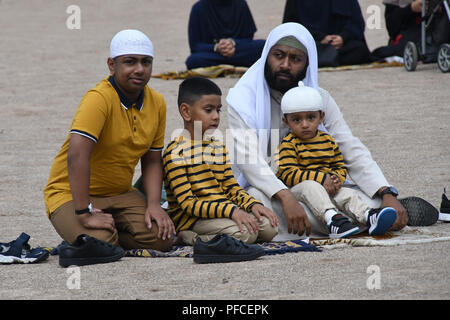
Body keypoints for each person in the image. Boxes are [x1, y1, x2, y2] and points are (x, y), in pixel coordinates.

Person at [226, 22, 408, 240]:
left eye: (295, 59)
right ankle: (360, 220)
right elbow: (250, 163)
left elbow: (348, 146)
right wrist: (285, 196)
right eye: (278, 55)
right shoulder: (241, 100)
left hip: (320, 186)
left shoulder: (319, 99)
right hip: (269, 190)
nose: (285, 65)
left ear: (307, 64)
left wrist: (385, 192)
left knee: (362, 197)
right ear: (266, 56)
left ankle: (362, 216)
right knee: (259, 212)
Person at [44, 29, 175, 251]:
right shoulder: (99, 99)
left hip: (120, 192)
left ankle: (101, 234)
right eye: (130, 62)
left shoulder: (158, 102)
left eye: (146, 62)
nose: (140, 69)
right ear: (112, 65)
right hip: (70, 193)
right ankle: (90, 232)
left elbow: (152, 161)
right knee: (99, 244)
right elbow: (77, 156)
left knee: (162, 238)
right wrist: (84, 212)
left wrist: (154, 205)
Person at [163, 77, 278, 245]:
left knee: (269, 227)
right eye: (208, 110)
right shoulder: (176, 152)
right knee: (246, 234)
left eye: (218, 110)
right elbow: (188, 204)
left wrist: (252, 205)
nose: (216, 116)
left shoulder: (217, 147)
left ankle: (228, 231)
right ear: (186, 112)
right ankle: (189, 237)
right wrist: (232, 211)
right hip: (193, 220)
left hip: (222, 212)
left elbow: (231, 187)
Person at [275, 81, 398, 238]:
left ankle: (368, 216)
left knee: (347, 193)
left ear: (321, 117)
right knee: (311, 187)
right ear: (286, 122)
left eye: (310, 118)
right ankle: (333, 220)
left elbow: (339, 165)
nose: (305, 124)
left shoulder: (328, 140)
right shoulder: (288, 144)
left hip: (329, 187)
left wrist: (336, 180)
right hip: (301, 189)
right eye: (297, 120)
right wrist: (321, 179)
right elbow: (287, 173)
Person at [282, 0, 372, 67]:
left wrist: (342, 37)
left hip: (340, 46)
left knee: (359, 49)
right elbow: (290, 26)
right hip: (312, 44)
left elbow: (357, 23)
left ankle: (322, 59)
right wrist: (321, 38)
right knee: (296, 50)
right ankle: (326, 58)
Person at [185, 0, 266, 69]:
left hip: (237, 51)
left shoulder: (240, 3)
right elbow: (195, 46)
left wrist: (233, 43)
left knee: (263, 46)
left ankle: (221, 66)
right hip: (214, 54)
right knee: (193, 60)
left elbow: (248, 37)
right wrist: (217, 47)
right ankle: (235, 64)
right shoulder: (199, 7)